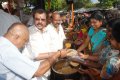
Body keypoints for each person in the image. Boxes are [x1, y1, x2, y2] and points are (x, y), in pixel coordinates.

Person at [0, 22, 67, 80]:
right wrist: (58, 54)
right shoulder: (7, 49)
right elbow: (38, 71)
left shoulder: (3, 44)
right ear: (17, 37)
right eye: (24, 41)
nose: (24, 45)